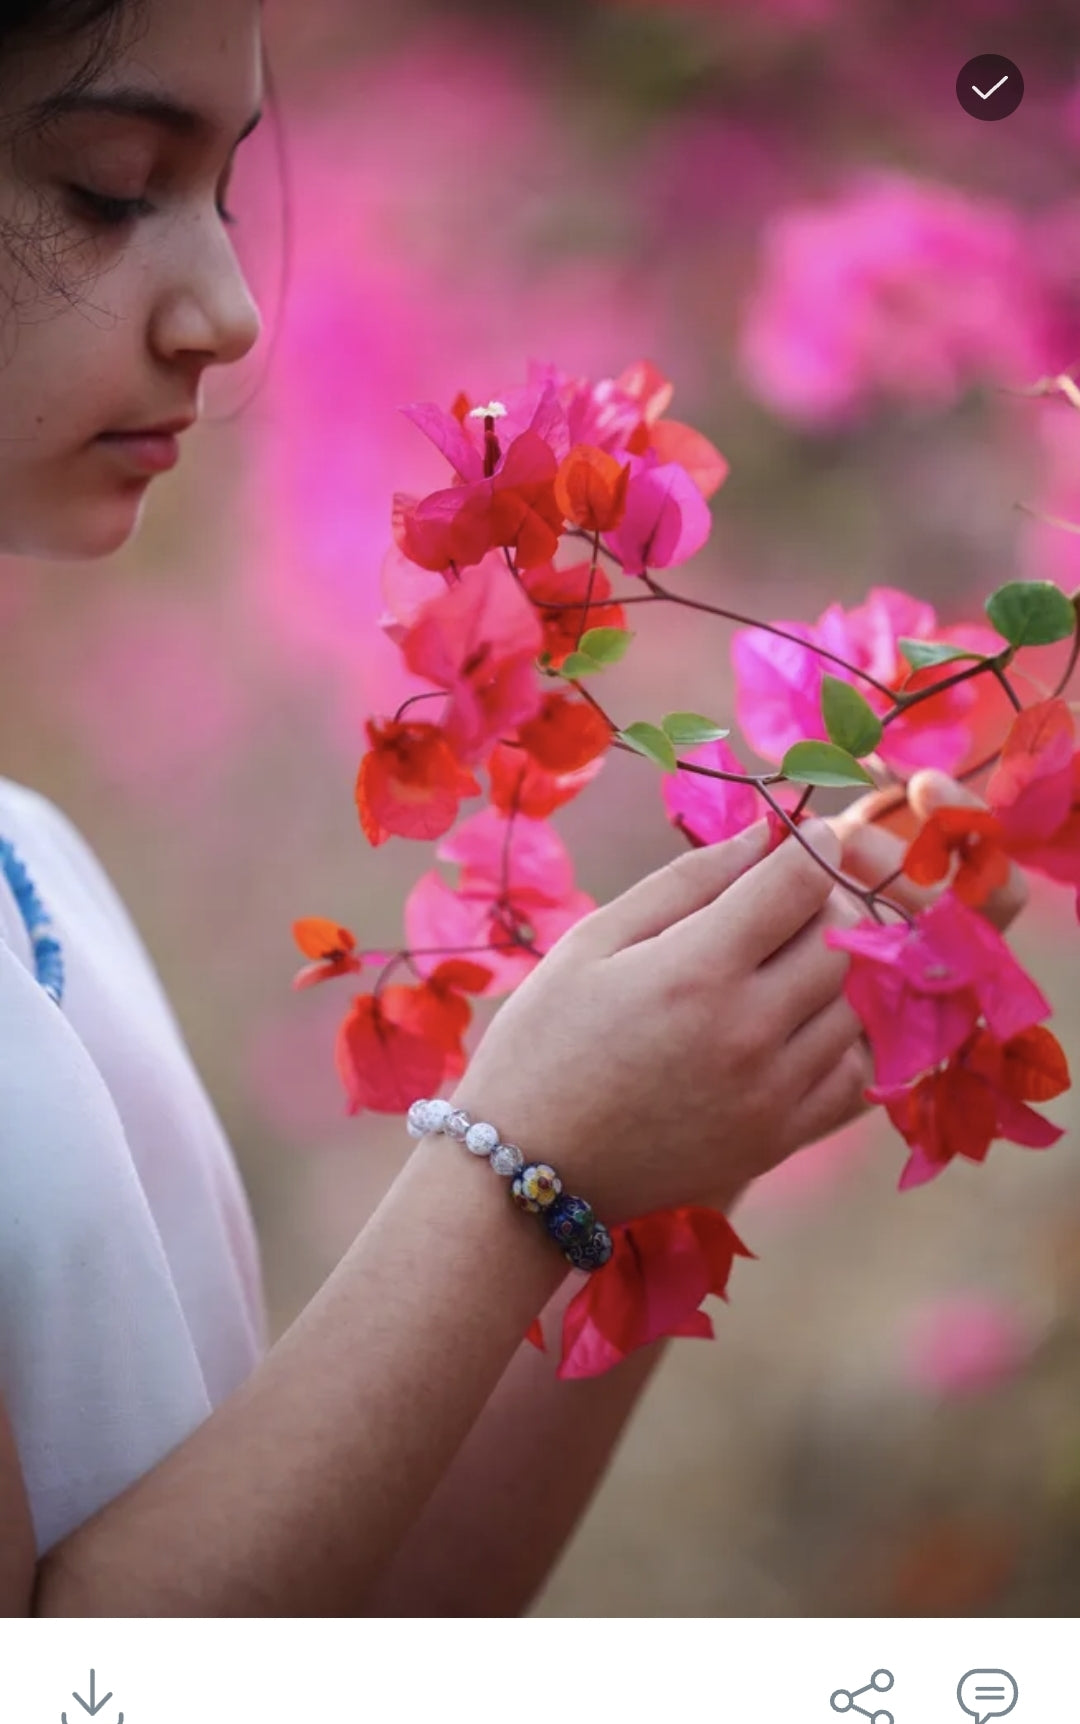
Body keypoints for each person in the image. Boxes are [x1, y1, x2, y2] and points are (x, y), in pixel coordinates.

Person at [0, 0, 1027, 1618]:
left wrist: (673, 1123)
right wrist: (519, 1162)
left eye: (220, 192)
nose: (229, 308)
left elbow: (339, 1624)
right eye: (114, 188)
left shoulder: (33, 863)